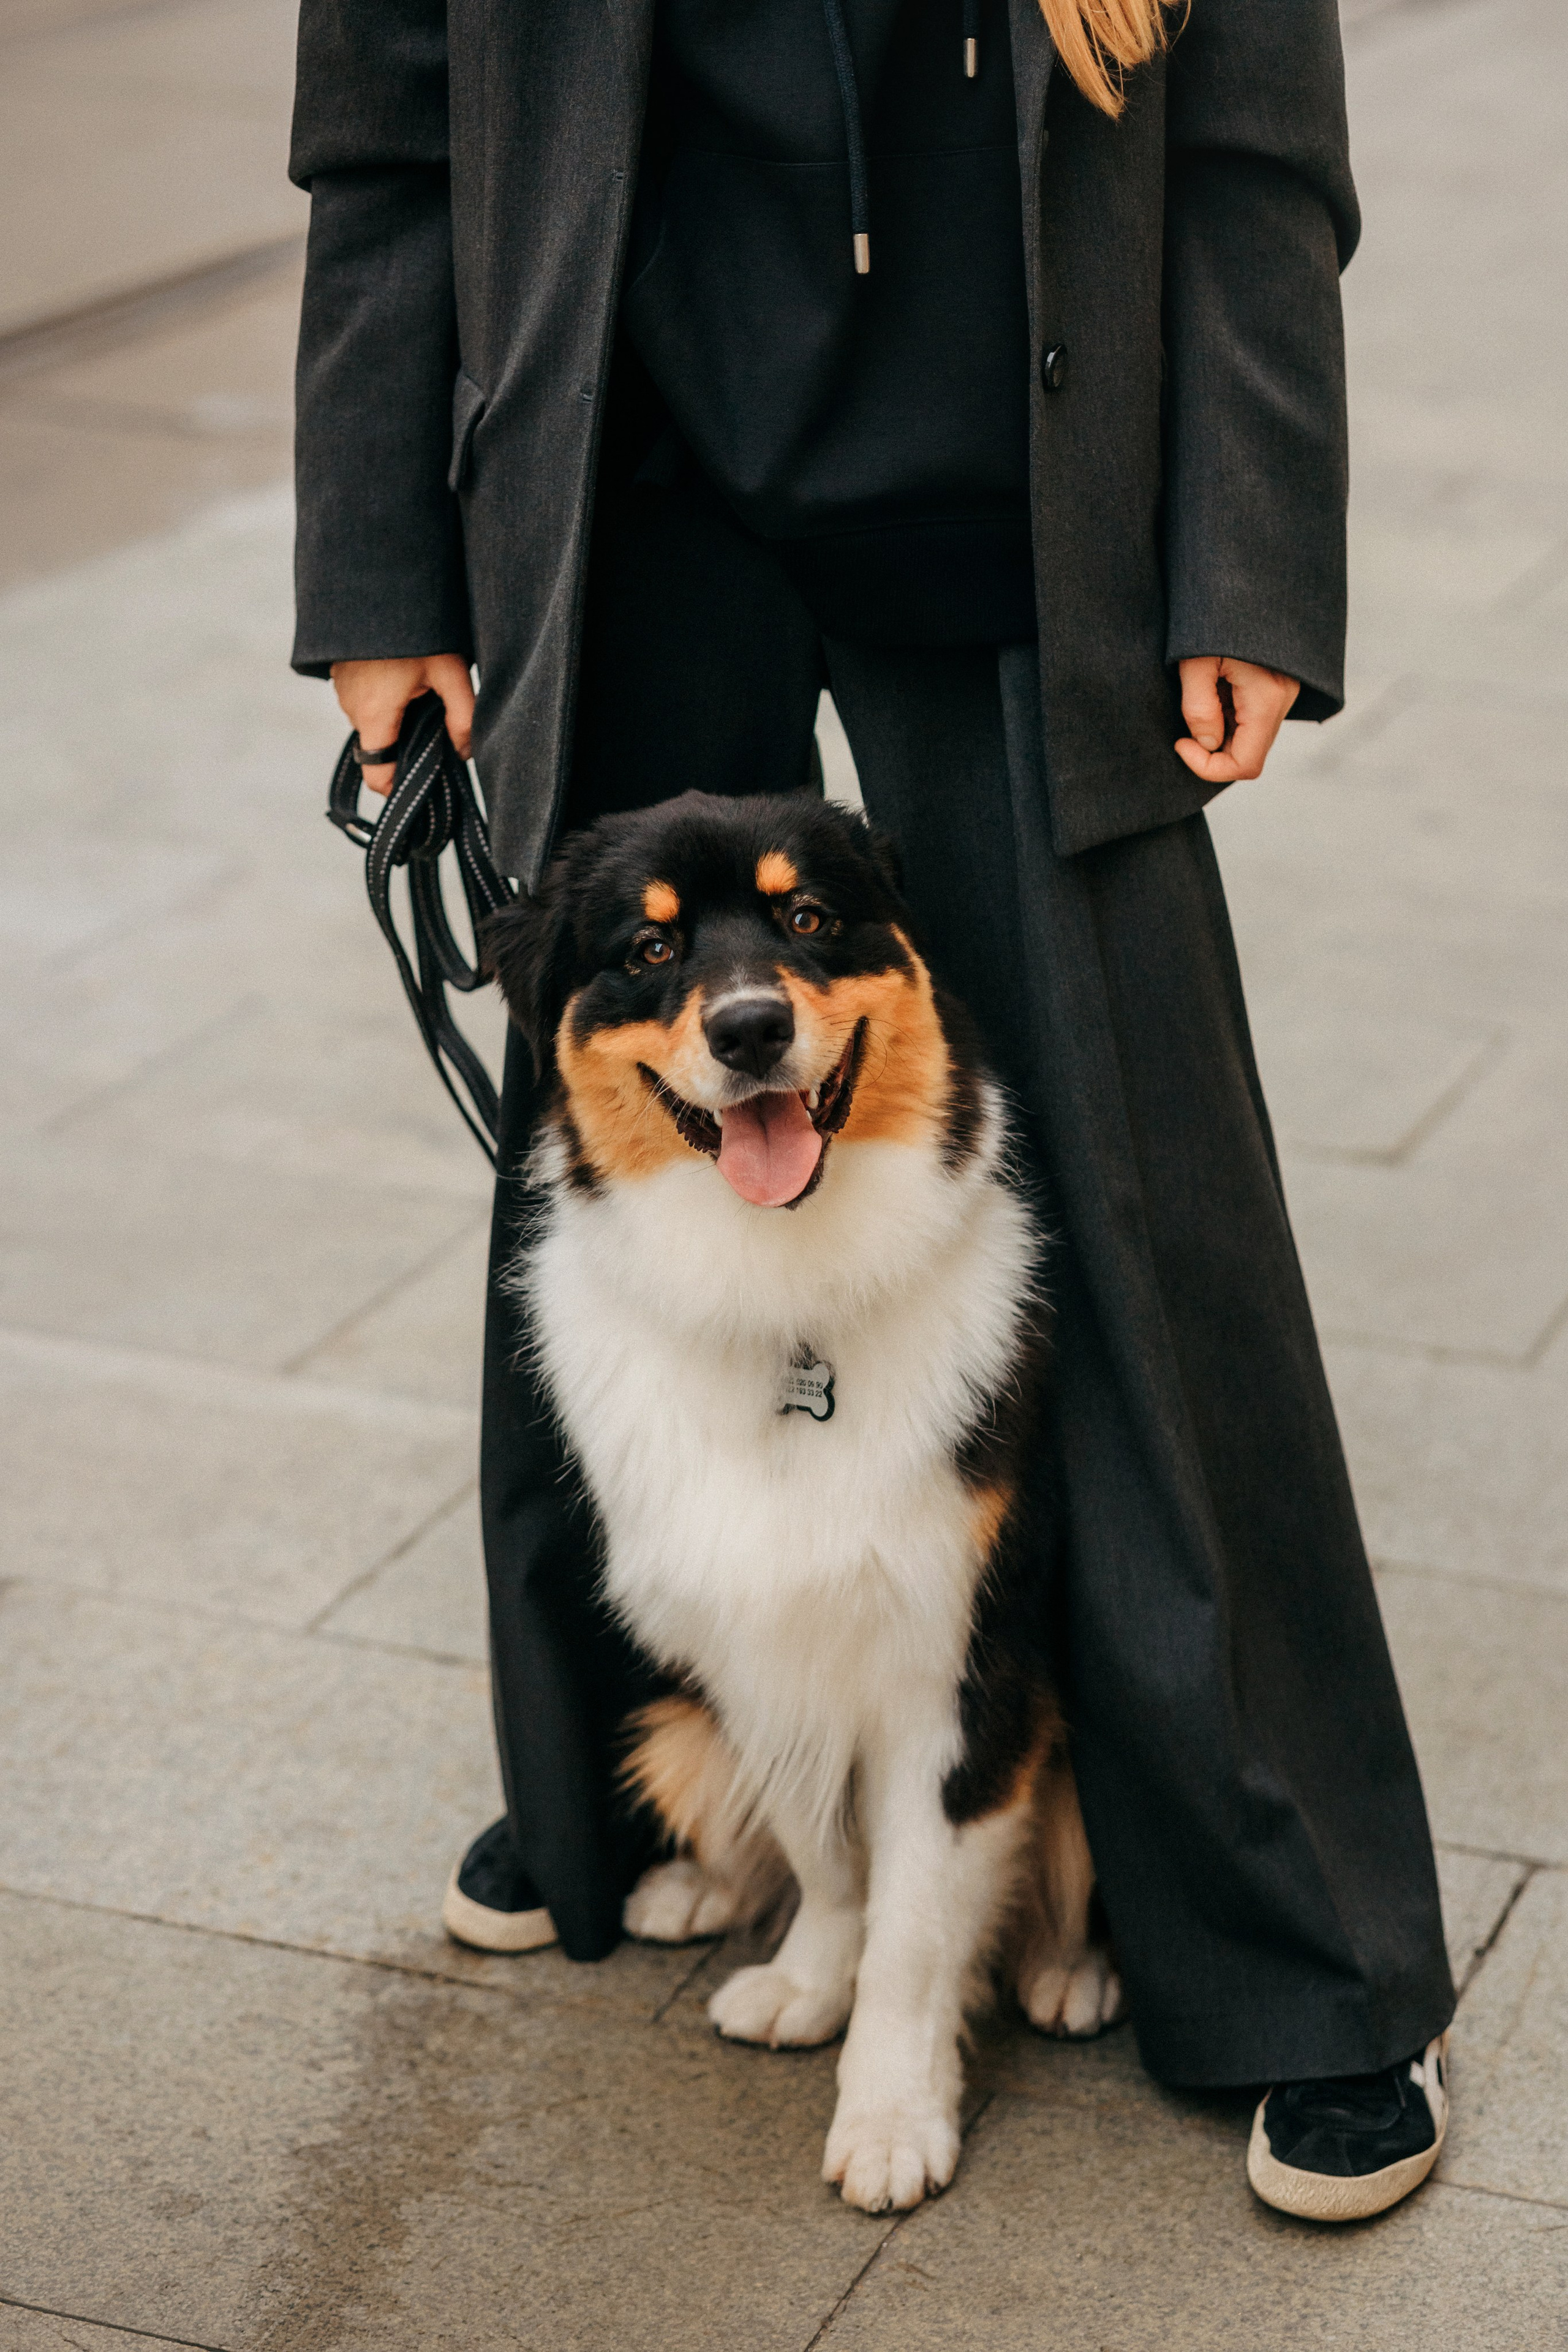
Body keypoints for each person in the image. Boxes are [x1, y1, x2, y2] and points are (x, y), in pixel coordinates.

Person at [290, 0, 1457, 2222]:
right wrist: (380, 569)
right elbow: (389, 122)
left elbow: (1256, 137)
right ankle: (622, 1804)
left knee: (1143, 1189)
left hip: (1024, 493)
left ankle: (1297, 1959)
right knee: (617, 1177)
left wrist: (1248, 551)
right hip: (614, 480)